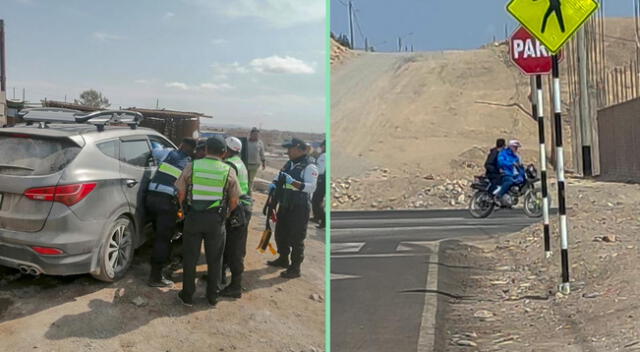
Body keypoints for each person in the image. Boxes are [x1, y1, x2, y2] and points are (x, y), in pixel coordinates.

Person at [175, 136, 241, 307]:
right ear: (224, 152)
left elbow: (180, 192)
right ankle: (213, 296)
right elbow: (235, 200)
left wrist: (184, 209)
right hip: (216, 220)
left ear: (205, 150)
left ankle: (187, 296)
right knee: (215, 259)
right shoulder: (229, 170)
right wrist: (225, 214)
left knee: (190, 257)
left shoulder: (193, 166)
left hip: (193, 218)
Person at [146, 138, 196, 287]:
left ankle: (158, 262)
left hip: (150, 197)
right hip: (166, 202)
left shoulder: (167, 153)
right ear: (192, 151)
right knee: (164, 238)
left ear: (180, 145)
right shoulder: (189, 164)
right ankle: (155, 277)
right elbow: (185, 189)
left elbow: (153, 150)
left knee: (157, 234)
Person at [267, 137, 318, 279]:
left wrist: (294, 183)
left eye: (290, 148)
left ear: (299, 149)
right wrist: (274, 184)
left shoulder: (310, 166)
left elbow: (311, 187)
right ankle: (283, 259)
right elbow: (280, 178)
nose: (288, 151)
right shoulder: (289, 163)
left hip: (299, 207)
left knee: (296, 238)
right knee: (280, 234)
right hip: (285, 204)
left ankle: (295, 268)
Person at [220, 136, 253, 298]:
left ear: (227, 150)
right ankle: (220, 276)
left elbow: (225, 190)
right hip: (242, 206)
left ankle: (235, 286)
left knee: (234, 249)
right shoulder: (238, 161)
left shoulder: (229, 165)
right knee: (228, 244)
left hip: (237, 208)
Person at [493, 140, 526, 205]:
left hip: (514, 175)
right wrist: (511, 163)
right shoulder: (503, 153)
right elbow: (501, 162)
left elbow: (519, 166)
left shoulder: (515, 156)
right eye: (515, 147)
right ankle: (498, 196)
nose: (516, 149)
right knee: (509, 181)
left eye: (517, 147)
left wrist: (522, 170)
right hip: (505, 173)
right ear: (510, 146)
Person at [246, 127, 266, 195]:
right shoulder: (246, 142)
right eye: (254, 134)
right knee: (245, 179)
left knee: (251, 180)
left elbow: (262, 153)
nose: (256, 136)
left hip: (255, 165)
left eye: (257, 134)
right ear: (251, 134)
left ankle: (249, 194)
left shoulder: (260, 143)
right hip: (245, 164)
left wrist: (263, 162)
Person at [311, 140, 326, 229]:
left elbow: (320, 170)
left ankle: (323, 220)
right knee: (317, 200)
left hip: (321, 181)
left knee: (316, 201)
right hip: (323, 181)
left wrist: (313, 166)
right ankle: (317, 217)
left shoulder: (324, 156)